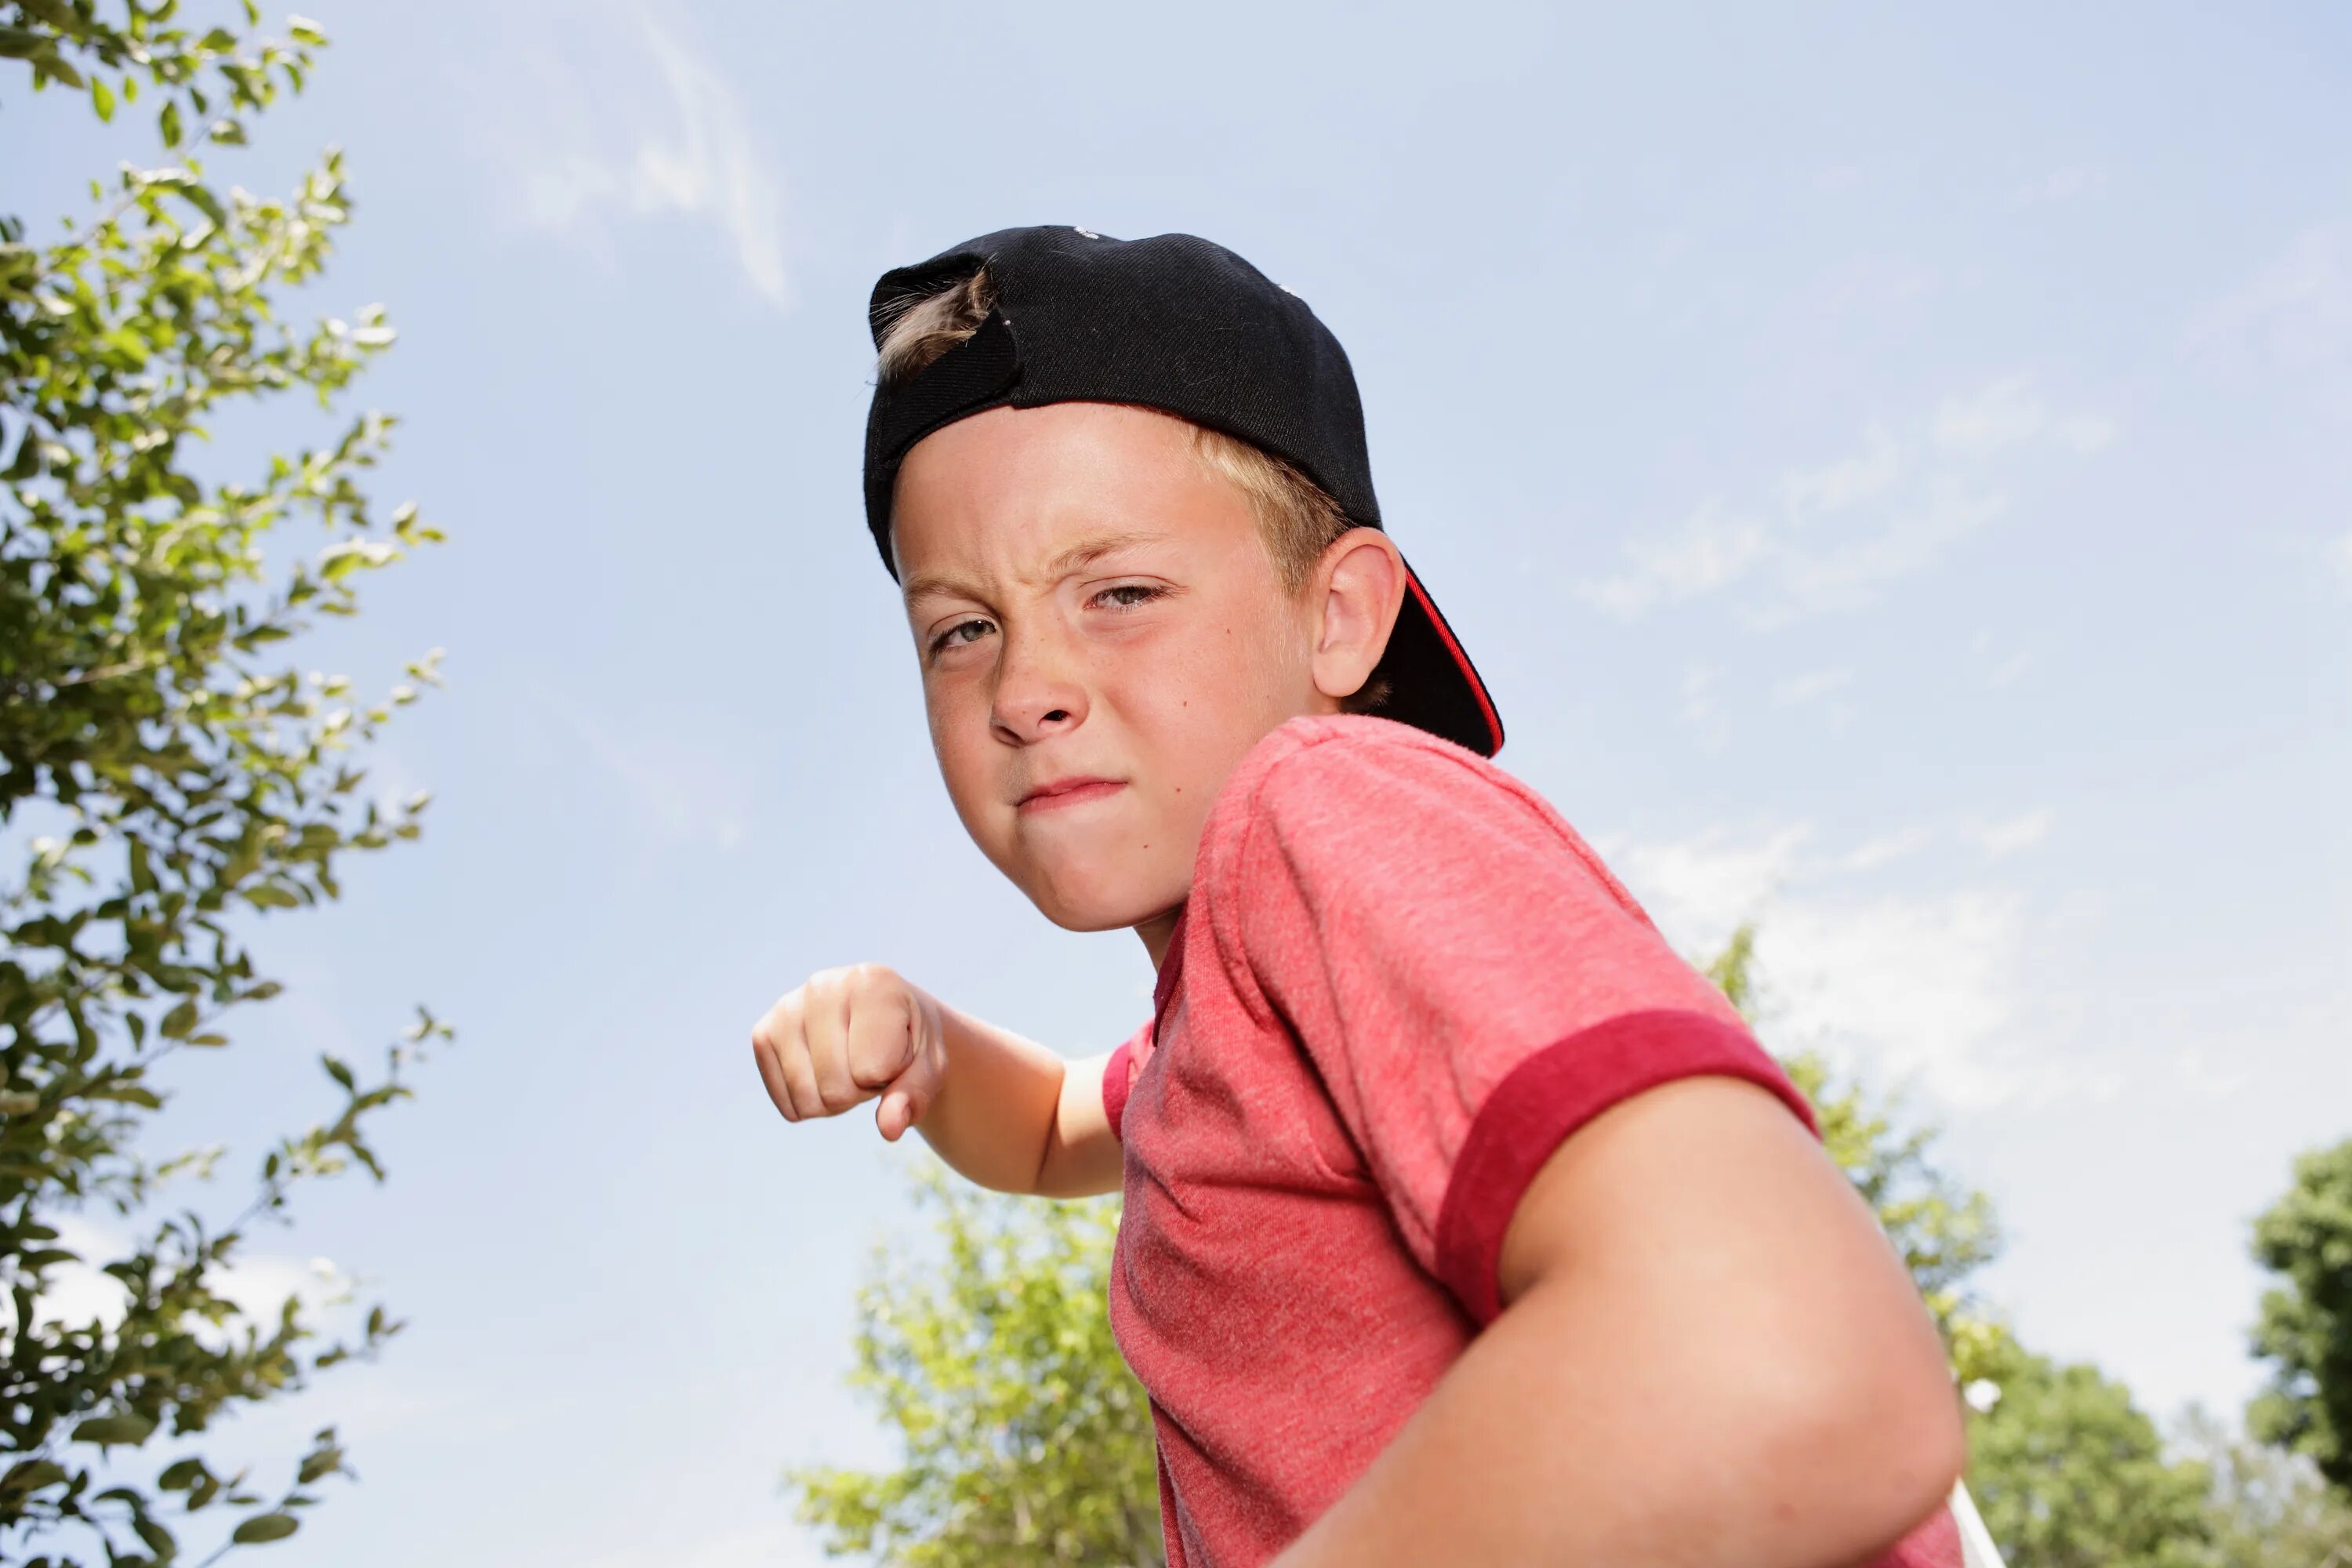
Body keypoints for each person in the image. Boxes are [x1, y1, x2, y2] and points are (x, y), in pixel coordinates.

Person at [751, 226, 1969, 1568]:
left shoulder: (1317, 807)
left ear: (1338, 617)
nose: (1026, 686)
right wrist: (926, 1035)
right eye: (960, 629)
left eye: (1121, 591)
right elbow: (1048, 1128)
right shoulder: (1211, 1026)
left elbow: (1789, 1362)